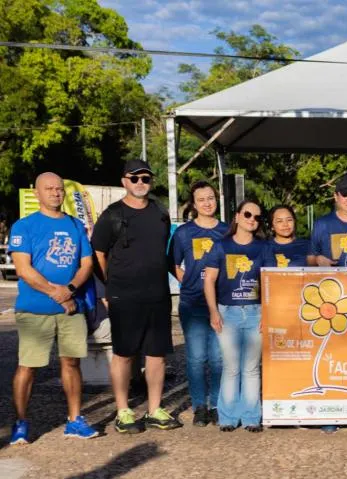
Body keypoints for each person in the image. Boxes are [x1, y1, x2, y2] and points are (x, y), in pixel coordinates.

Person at [8, 172, 98, 444]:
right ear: (36, 193)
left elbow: (87, 264)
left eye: (59, 189)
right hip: (34, 309)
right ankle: (21, 422)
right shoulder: (24, 226)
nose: (56, 193)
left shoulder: (75, 225)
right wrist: (57, 294)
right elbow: (24, 269)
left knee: (71, 363)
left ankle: (74, 420)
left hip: (72, 308)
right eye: (49, 189)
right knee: (28, 366)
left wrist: (69, 290)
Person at [91, 159, 180, 434]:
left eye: (145, 178)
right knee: (124, 354)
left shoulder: (160, 213)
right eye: (135, 178)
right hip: (124, 296)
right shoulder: (112, 215)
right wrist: (108, 290)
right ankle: (123, 411)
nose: (141, 183)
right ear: (124, 181)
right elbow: (98, 255)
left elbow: (165, 254)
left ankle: (154, 409)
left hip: (157, 295)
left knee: (157, 356)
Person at [203, 200, 268, 433]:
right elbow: (209, 280)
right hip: (227, 312)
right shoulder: (221, 246)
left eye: (257, 217)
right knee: (231, 367)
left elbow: (269, 283)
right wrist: (213, 312)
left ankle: (251, 417)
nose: (252, 219)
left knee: (251, 368)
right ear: (237, 216)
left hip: (255, 312)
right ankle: (228, 417)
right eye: (248, 214)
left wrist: (268, 312)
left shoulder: (263, 247)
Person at [169, 181, 227, 427]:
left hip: (220, 302)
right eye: (201, 199)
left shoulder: (227, 231)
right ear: (194, 204)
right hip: (192, 303)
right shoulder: (184, 233)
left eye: (211, 198)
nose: (207, 203)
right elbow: (172, 263)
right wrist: (189, 281)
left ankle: (215, 404)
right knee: (195, 358)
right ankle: (199, 406)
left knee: (217, 358)